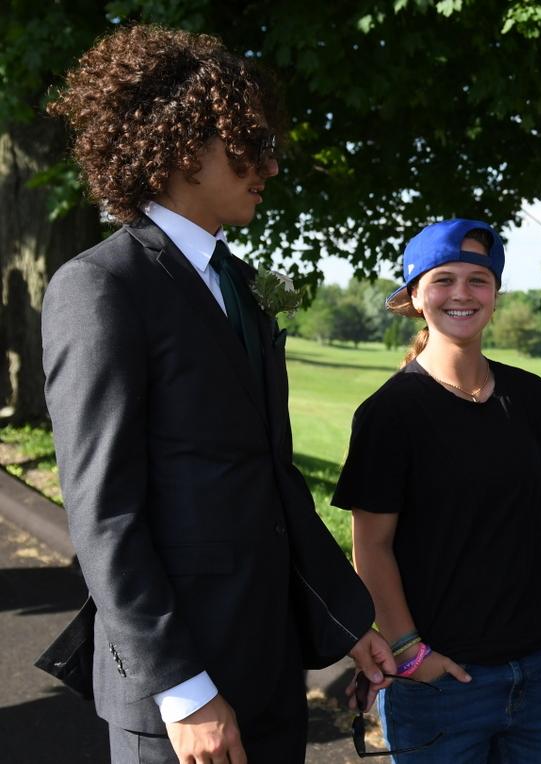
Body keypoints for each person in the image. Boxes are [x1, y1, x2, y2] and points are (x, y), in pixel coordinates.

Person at [40, 25, 395, 763]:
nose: (272, 164)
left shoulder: (240, 286)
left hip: (270, 667)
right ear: (180, 146)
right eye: (251, 142)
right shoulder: (102, 287)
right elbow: (104, 515)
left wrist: (347, 621)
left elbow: (272, 478)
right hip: (181, 693)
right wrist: (183, 689)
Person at [332, 219, 541, 762]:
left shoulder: (531, 396)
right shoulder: (389, 414)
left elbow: (538, 513)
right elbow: (370, 546)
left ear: (495, 293)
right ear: (416, 296)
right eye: (443, 280)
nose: (462, 294)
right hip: (440, 684)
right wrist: (409, 651)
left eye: (478, 280)